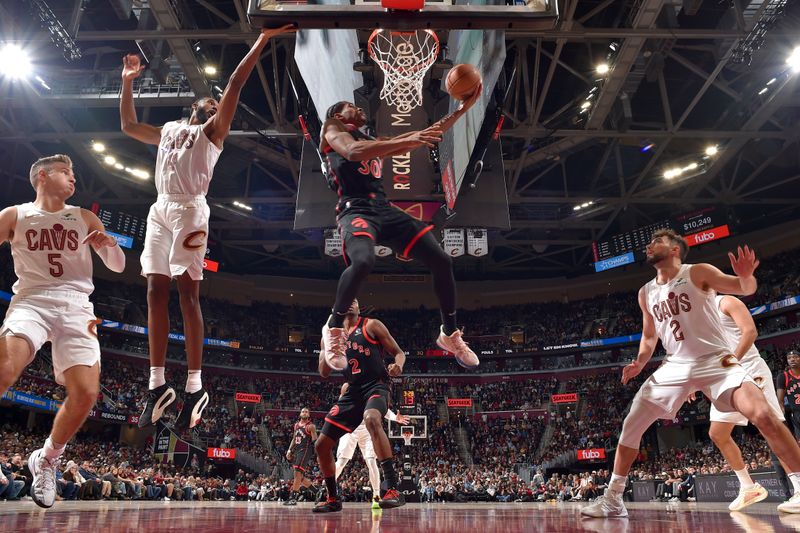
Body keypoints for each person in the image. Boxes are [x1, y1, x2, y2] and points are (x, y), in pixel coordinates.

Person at [120, 25, 295, 431]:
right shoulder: (168, 130)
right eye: (211, 102)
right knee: (153, 289)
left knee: (187, 293)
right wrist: (127, 83)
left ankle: (196, 385)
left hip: (190, 211)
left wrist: (263, 41)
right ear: (194, 106)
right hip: (159, 208)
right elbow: (129, 126)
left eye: (218, 104)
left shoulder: (212, 132)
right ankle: (157, 384)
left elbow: (235, 82)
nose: (215, 104)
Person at [582, 230, 800, 518]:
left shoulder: (697, 272)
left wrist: (746, 276)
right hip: (676, 365)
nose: (649, 246)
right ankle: (613, 499)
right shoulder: (645, 292)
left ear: (675, 250)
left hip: (715, 360)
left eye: (656, 242)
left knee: (763, 414)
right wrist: (639, 362)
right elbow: (649, 337)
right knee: (631, 425)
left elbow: (742, 288)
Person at [318, 87, 482, 373]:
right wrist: (405, 140)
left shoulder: (371, 139)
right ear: (337, 113)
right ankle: (333, 327)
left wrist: (463, 109)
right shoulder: (332, 127)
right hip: (354, 209)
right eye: (351, 106)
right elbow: (353, 152)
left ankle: (449, 333)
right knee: (364, 261)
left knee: (442, 260)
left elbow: (428, 133)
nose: (359, 110)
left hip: (384, 209)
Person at [0, 154, 125, 508]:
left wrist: (108, 245)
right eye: (65, 172)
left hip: (76, 306)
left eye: (73, 173)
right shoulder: (15, 214)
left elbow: (117, 267)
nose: (73, 179)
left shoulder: (84, 216)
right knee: (5, 370)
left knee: (86, 394)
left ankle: (48, 459)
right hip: (31, 300)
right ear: (42, 176)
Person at [313, 299, 406, 512]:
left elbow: (399, 353)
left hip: (376, 385)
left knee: (372, 418)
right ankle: (333, 498)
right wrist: (330, 345)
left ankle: (392, 489)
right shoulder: (330, 335)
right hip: (353, 391)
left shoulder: (371, 325)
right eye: (347, 300)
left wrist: (398, 366)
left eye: (354, 300)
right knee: (321, 445)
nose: (352, 303)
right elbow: (324, 372)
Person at [699, 294, 787, 511]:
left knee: (772, 427)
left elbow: (750, 332)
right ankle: (748, 486)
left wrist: (731, 362)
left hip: (750, 369)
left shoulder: (726, 302)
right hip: (726, 378)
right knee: (717, 433)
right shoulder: (699, 318)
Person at [334, 381, 411, 508]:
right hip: (350, 428)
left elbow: (381, 409)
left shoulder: (373, 387)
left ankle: (376, 496)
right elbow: (341, 406)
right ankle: (328, 492)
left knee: (371, 462)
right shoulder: (348, 385)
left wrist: (395, 418)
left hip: (367, 429)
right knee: (341, 462)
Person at [284, 407, 316, 505]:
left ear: (309, 415)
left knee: (297, 473)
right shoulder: (296, 425)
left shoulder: (311, 426)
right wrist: (289, 450)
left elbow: (315, 440)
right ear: (300, 414)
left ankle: (293, 498)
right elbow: (294, 438)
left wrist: (317, 455)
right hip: (297, 451)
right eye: (303, 411)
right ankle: (317, 491)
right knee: (299, 477)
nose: (305, 413)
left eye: (306, 411)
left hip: (306, 450)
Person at [777, 350, 800, 437]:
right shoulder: (783, 377)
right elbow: (780, 402)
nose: (792, 359)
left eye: (795, 357)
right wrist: (783, 419)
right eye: (789, 358)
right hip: (796, 414)